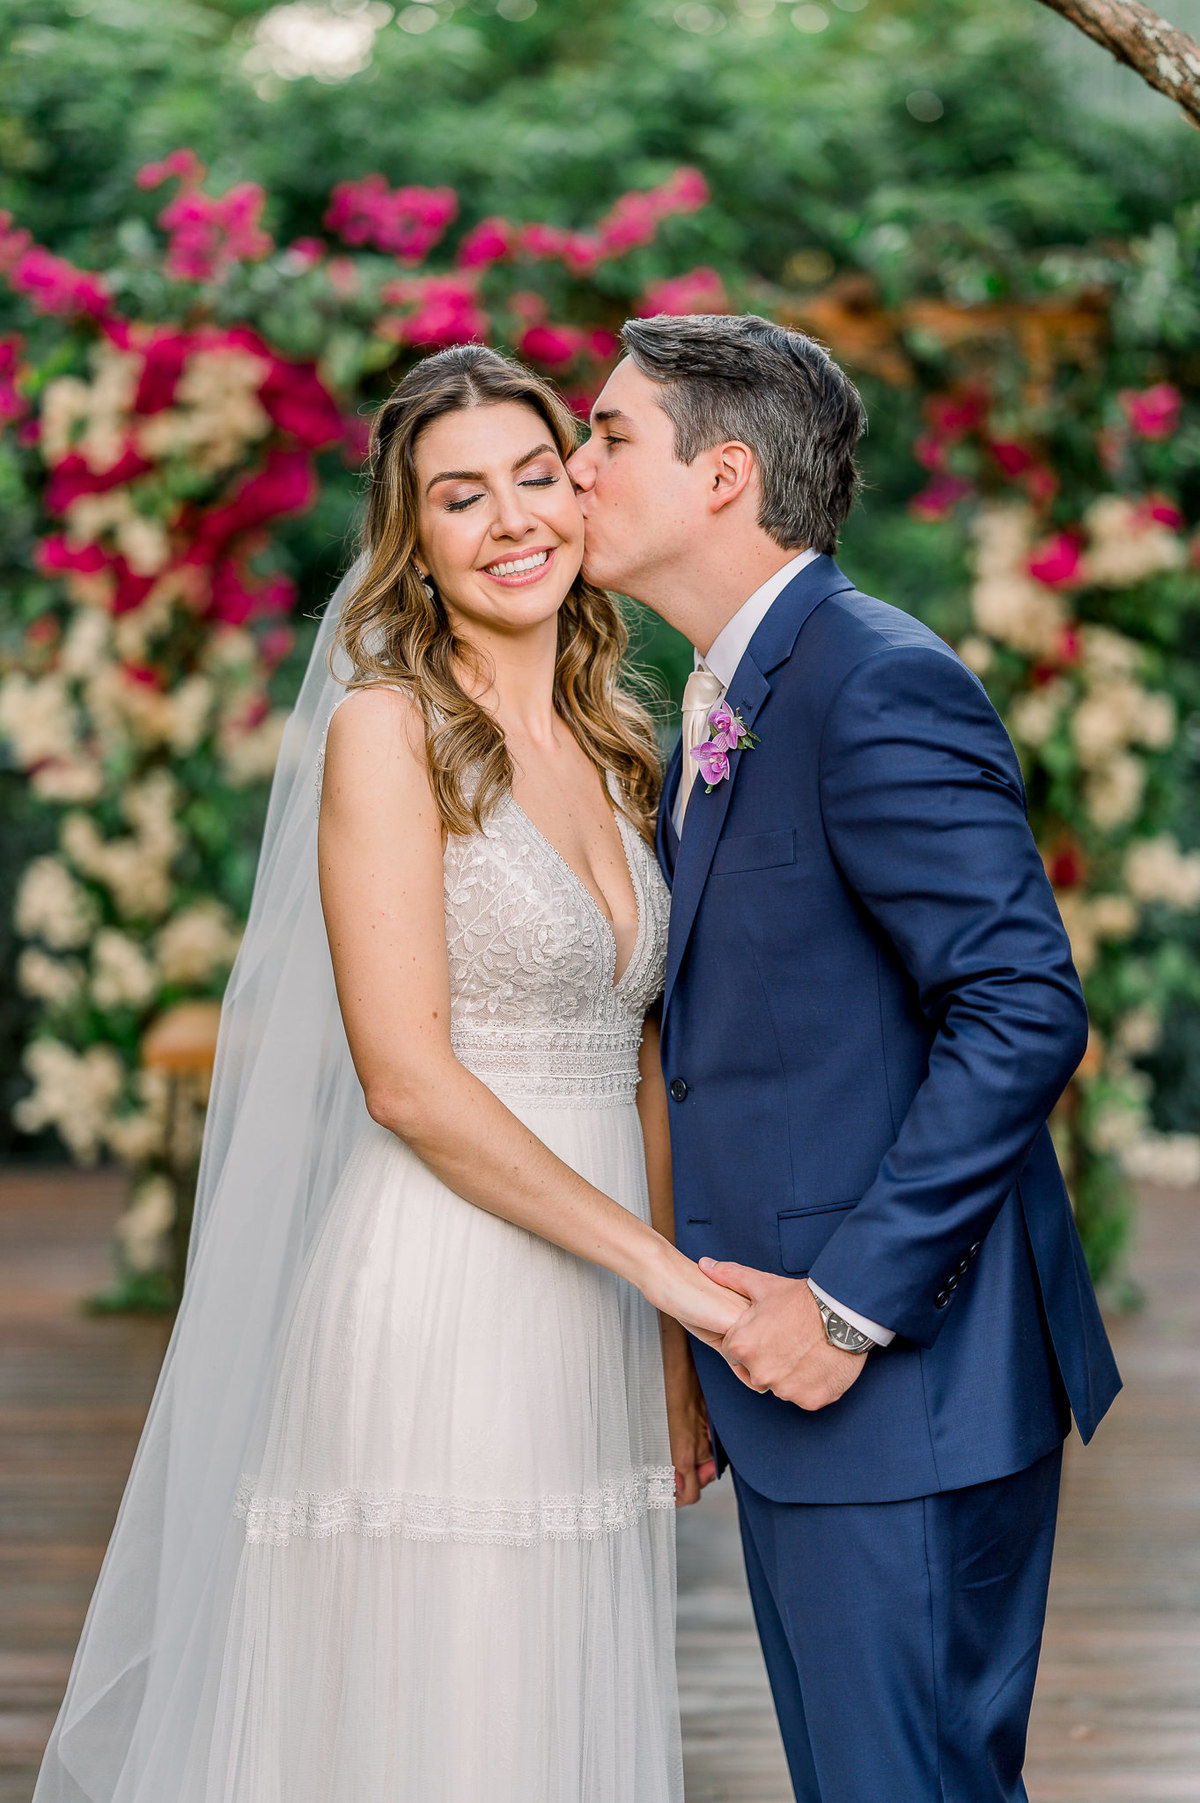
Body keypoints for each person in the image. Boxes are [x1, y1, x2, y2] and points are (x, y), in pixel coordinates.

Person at [33, 345, 743, 1803]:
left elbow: (644, 1062)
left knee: (548, 1707)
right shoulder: (386, 733)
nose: (512, 521)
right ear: (412, 543)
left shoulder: (619, 744)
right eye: (461, 497)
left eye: (535, 477)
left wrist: (668, 1352)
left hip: (602, 1313)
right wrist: (672, 1282)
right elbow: (407, 1082)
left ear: (582, 491)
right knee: (444, 1714)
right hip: (446, 1286)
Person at [567, 312, 1122, 1803]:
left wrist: (848, 1308)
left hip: (897, 1377)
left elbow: (1022, 1005)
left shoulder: (872, 679)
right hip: (796, 1382)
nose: (576, 466)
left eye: (609, 435)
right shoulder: (738, 688)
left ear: (724, 475)